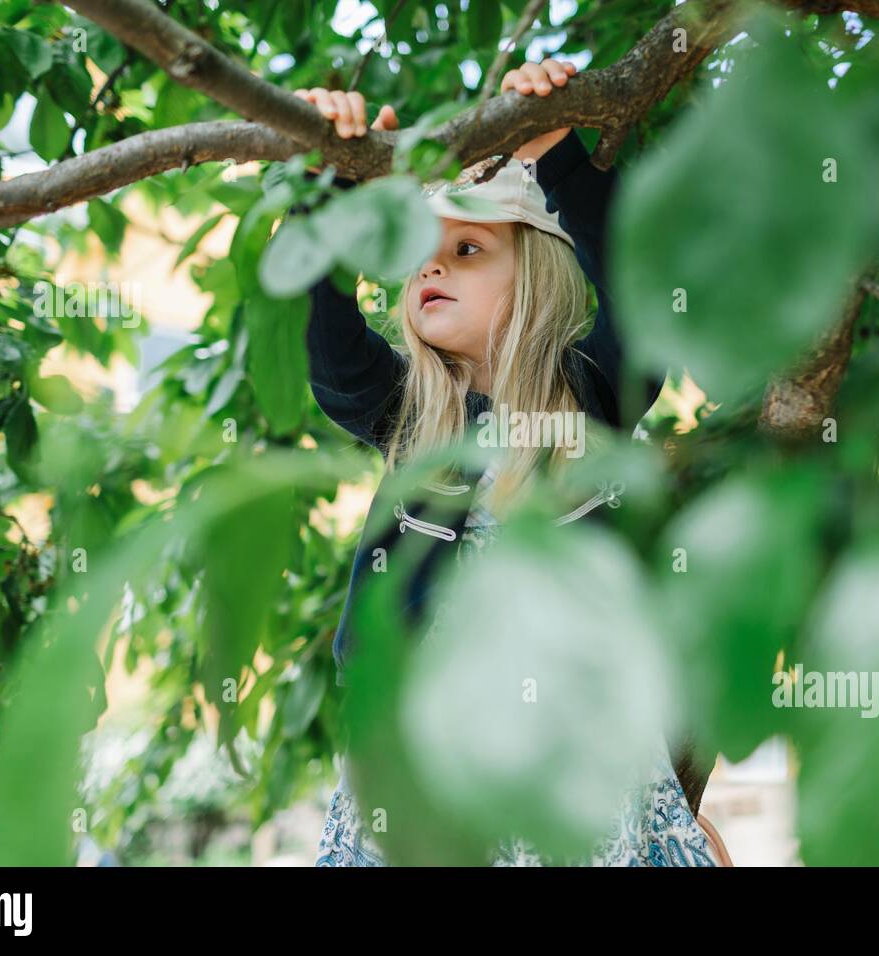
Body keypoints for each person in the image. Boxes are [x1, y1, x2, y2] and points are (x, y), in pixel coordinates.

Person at [297, 59, 722, 866]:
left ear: (535, 278)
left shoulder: (590, 398)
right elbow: (327, 350)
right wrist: (334, 190)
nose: (432, 266)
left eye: (466, 248)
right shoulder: (414, 416)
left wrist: (556, 148)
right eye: (422, 253)